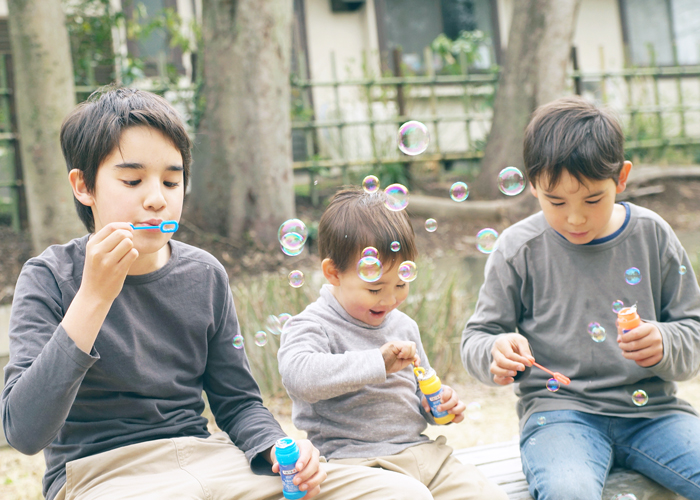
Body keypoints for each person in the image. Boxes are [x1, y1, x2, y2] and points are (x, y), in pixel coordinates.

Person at [1, 87, 427, 500]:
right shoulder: (49, 277)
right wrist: (93, 297)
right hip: (102, 474)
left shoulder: (203, 274)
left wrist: (280, 451)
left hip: (210, 462)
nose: (156, 199)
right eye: (132, 180)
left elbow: (238, 402)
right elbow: (24, 431)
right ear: (83, 186)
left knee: (400, 493)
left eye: (171, 182)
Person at [461, 96, 700, 500]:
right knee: (567, 491)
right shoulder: (518, 248)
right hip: (559, 417)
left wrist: (665, 342)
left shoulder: (652, 235)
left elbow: (692, 331)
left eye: (592, 199)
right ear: (533, 184)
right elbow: (477, 337)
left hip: (654, 413)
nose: (575, 218)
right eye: (556, 202)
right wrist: (496, 351)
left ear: (621, 179)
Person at [277, 188, 508, 500]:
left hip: (423, 456)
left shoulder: (403, 325)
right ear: (334, 273)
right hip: (356, 464)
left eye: (401, 284)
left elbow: (419, 390)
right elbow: (299, 377)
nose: (390, 299)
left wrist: (435, 405)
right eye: (374, 289)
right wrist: (377, 362)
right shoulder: (313, 325)